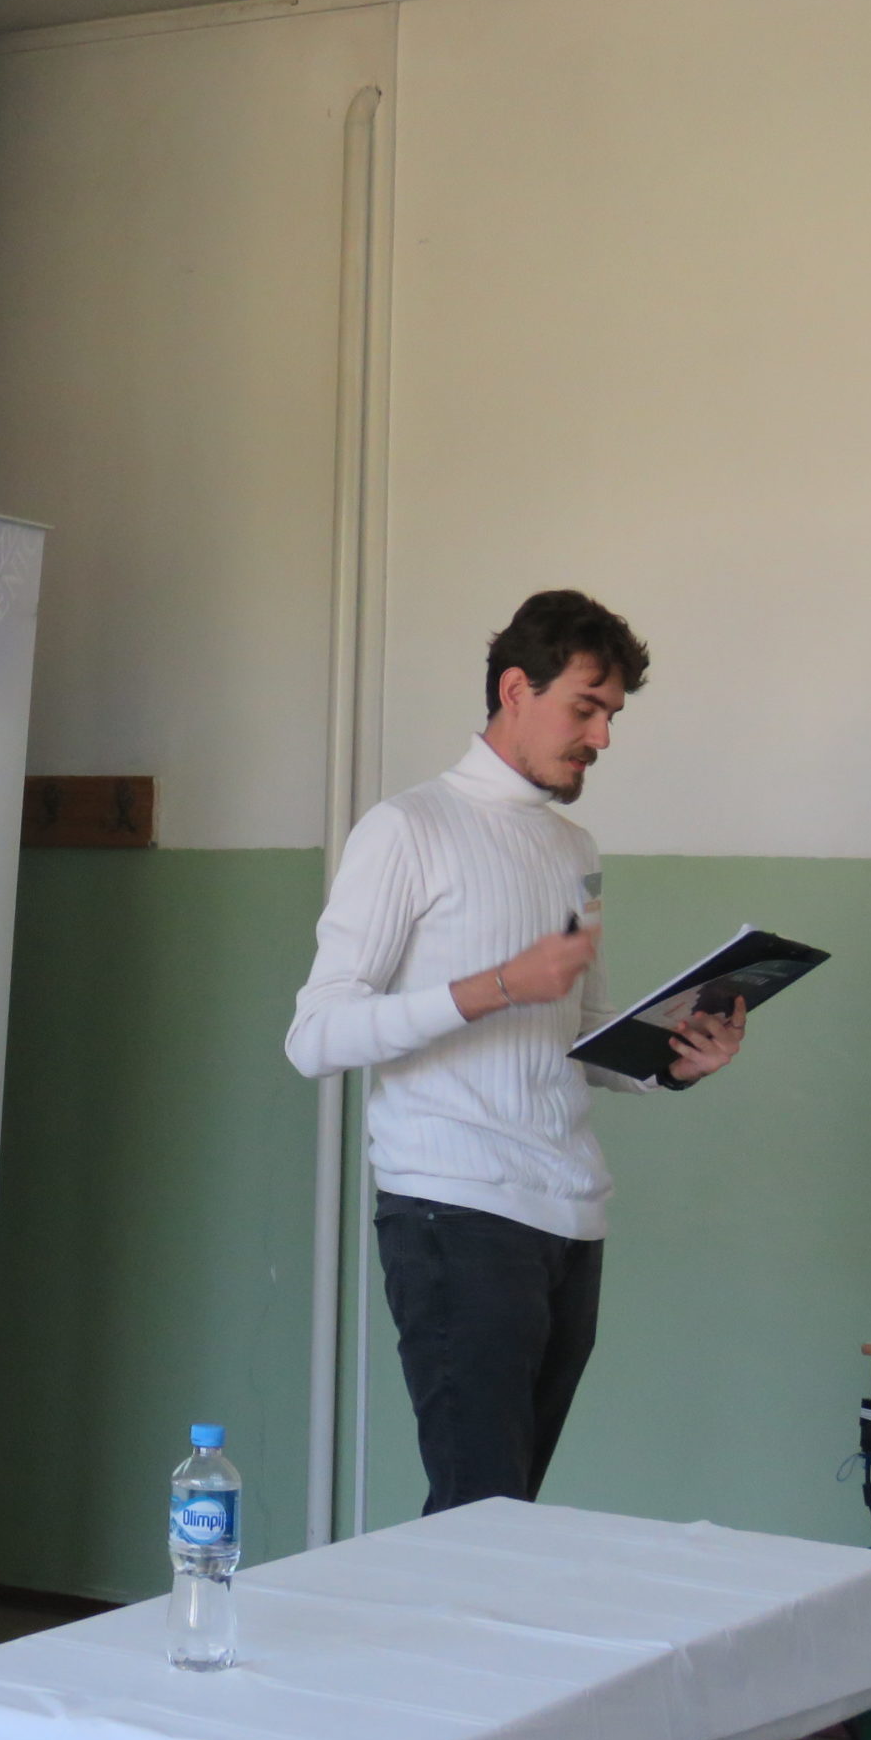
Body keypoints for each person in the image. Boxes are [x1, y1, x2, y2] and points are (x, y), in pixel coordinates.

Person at [285, 590, 746, 1513]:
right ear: (514, 690)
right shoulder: (407, 828)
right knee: (479, 1514)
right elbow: (316, 1035)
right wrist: (494, 985)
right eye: (585, 708)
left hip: (569, 1214)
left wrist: (673, 1062)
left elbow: (578, 1031)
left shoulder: (573, 846)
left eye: (612, 715)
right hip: (452, 1209)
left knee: (508, 1517)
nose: (602, 738)